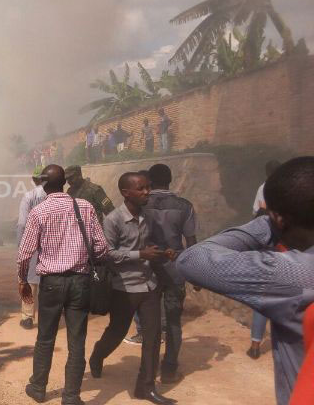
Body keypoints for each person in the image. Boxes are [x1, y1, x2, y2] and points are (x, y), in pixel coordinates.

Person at [177, 156, 314, 405]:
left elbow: (191, 260)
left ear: (279, 218)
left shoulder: (295, 273)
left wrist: (266, 224)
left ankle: (254, 341)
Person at [18, 164, 109, 405]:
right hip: (80, 282)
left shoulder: (38, 212)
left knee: (45, 338)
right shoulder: (85, 208)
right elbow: (101, 247)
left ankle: (38, 388)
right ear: (64, 183)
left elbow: (24, 253)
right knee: (77, 341)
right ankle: (71, 396)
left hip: (51, 284)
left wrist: (23, 281)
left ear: (44, 185)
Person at [89, 172, 175, 405]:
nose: (147, 192)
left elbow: (146, 245)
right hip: (124, 288)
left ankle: (145, 388)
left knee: (154, 337)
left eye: (148, 187)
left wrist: (159, 252)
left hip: (149, 285)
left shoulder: (147, 217)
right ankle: (98, 355)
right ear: (126, 193)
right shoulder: (113, 220)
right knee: (117, 332)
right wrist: (140, 254)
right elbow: (107, 254)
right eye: (142, 189)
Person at [140, 163, 197, 384]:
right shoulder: (185, 206)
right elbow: (191, 242)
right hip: (175, 270)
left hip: (148, 271)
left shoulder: (140, 205)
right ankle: (169, 368)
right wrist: (195, 273)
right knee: (173, 320)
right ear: (171, 179)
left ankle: (149, 367)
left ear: (150, 182)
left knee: (150, 321)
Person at [247, 159, 282, 359]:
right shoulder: (290, 189)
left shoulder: (263, 188)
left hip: (267, 245)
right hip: (287, 246)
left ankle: (255, 345)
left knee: (262, 296)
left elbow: (256, 212)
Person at [15, 170, 46, 330]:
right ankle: (49, 317)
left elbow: (22, 223)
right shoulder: (58, 196)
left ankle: (27, 317)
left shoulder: (29, 196)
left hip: (33, 243)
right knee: (49, 281)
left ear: (34, 179)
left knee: (30, 280)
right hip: (53, 244)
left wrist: (20, 245)